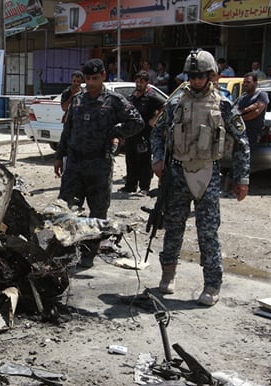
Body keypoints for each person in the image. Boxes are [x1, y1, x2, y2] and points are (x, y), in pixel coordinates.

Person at [151, 49, 250, 306]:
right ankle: (168, 274)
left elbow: (241, 143)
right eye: (192, 76)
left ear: (211, 76)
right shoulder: (175, 103)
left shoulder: (224, 104)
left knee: (208, 232)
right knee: (173, 227)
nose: (195, 80)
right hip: (177, 173)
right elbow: (157, 133)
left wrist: (242, 179)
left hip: (208, 173)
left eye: (200, 76)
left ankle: (212, 284)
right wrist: (157, 159)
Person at [54, 58, 144, 268]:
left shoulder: (114, 101)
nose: (91, 83)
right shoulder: (77, 100)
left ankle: (88, 254)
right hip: (75, 164)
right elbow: (67, 132)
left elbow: (137, 122)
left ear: (104, 75)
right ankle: (63, 252)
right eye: (88, 79)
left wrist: (115, 132)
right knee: (65, 209)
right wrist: (59, 157)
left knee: (97, 213)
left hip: (99, 166)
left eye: (95, 78)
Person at [121, 70, 164, 196]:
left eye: (142, 82)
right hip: (131, 134)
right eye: (137, 81)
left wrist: (155, 119)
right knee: (130, 160)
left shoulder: (150, 97)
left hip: (144, 134)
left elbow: (164, 106)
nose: (139, 84)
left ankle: (144, 187)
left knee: (144, 162)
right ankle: (130, 185)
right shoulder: (131, 98)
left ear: (146, 83)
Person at [235, 72, 269, 149]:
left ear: (255, 83)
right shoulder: (243, 96)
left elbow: (256, 112)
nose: (245, 84)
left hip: (253, 131)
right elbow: (235, 110)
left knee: (248, 154)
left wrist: (239, 119)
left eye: (248, 82)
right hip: (240, 131)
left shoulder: (261, 95)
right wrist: (247, 109)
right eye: (244, 82)